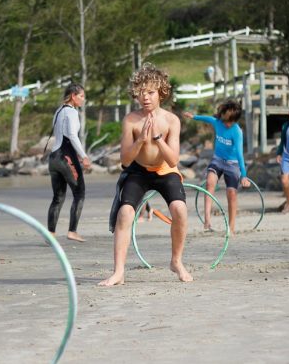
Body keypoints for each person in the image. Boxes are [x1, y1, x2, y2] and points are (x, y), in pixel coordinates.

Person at [99, 63, 192, 286]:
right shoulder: (131, 120)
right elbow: (125, 160)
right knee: (125, 213)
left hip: (165, 170)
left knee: (180, 209)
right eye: (141, 92)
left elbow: (173, 160)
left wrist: (158, 139)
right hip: (138, 171)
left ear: (161, 93)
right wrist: (141, 139)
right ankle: (118, 271)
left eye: (150, 92)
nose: (145, 97)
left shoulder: (172, 121)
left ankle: (176, 261)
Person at [183, 99, 250, 235]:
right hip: (217, 160)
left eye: (230, 122)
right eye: (225, 120)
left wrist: (243, 175)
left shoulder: (237, 132)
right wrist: (193, 116)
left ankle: (231, 228)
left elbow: (239, 154)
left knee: (231, 193)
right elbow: (207, 119)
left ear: (235, 120)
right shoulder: (218, 122)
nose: (226, 124)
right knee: (209, 183)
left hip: (232, 164)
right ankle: (207, 222)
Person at [46, 83, 91, 242]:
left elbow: (60, 134)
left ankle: (50, 234)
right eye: (81, 96)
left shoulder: (58, 111)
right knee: (80, 193)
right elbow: (72, 134)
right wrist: (83, 156)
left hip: (53, 158)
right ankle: (72, 231)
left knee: (58, 197)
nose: (83, 100)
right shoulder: (71, 112)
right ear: (73, 96)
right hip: (66, 157)